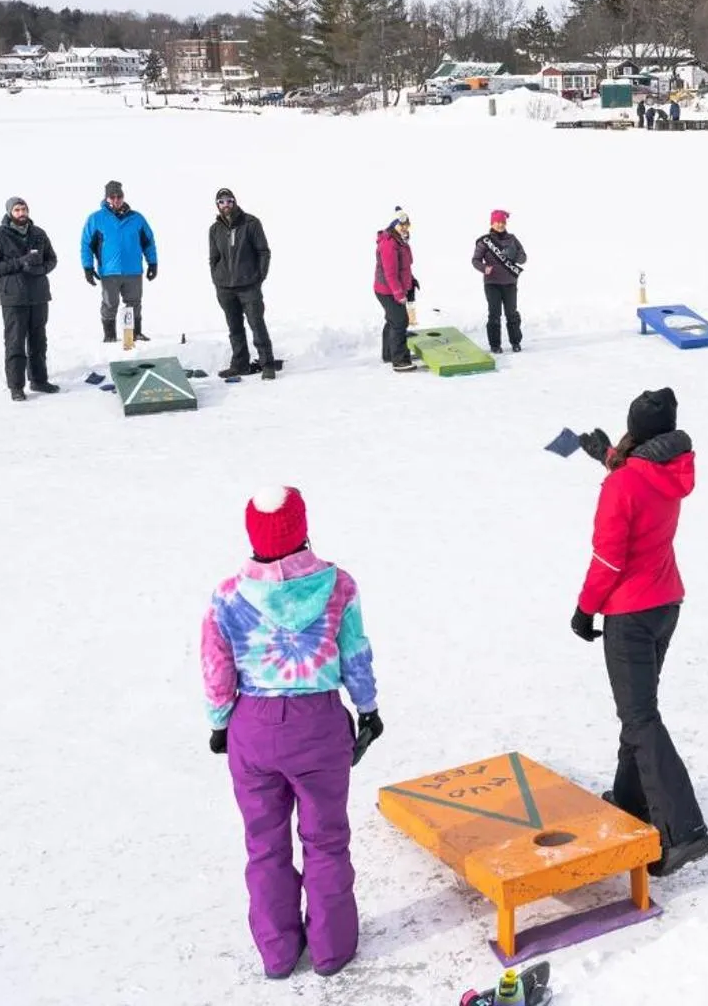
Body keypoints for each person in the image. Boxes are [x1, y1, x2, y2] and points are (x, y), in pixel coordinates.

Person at [202, 485, 381, 979]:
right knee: (326, 840)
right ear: (302, 527)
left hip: (253, 727)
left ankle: (278, 952)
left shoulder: (228, 594)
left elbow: (217, 668)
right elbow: (355, 653)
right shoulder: (337, 585)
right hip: (319, 725)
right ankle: (331, 948)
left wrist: (220, 722)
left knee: (265, 843)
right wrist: (368, 709)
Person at [570, 388, 708, 877]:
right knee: (640, 712)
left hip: (629, 613)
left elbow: (608, 557)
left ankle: (683, 830)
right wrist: (608, 456)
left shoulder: (623, 486)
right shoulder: (670, 470)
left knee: (639, 718)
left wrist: (584, 609)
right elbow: (639, 477)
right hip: (664, 604)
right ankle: (631, 802)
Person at [0, 195, 58, 401]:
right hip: (13, 298)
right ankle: (16, 386)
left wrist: (39, 268)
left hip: (39, 296)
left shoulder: (39, 234)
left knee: (38, 340)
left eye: (24, 209)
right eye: (17, 210)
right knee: (15, 342)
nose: (21, 213)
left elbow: (52, 259)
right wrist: (19, 263)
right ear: (9, 213)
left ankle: (39, 380)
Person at [210, 187, 278, 379]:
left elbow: (264, 252)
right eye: (222, 202)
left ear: (235, 202)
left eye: (229, 201)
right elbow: (213, 257)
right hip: (225, 288)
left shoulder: (251, 223)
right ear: (217, 205)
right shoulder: (215, 229)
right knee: (235, 328)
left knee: (257, 324)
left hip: (249, 286)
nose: (226, 205)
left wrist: (259, 277)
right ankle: (240, 365)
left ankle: (267, 364)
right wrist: (217, 279)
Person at [79, 179, 158, 343]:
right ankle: (110, 336)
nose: (116, 200)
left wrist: (152, 263)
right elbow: (86, 244)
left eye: (119, 196)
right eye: (112, 197)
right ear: (106, 198)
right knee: (110, 304)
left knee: (133, 303)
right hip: (109, 271)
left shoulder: (137, 218)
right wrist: (88, 267)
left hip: (133, 270)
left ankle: (132, 335)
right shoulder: (96, 219)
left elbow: (148, 242)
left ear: (123, 196)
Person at [472, 210, 527, 352]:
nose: (500, 225)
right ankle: (495, 345)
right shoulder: (485, 241)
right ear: (492, 223)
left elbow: (523, 257)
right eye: (497, 222)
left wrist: (514, 256)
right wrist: (484, 268)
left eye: (503, 222)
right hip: (492, 284)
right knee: (494, 314)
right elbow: (475, 260)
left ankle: (515, 342)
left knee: (512, 313)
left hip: (510, 283)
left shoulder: (512, 239)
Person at [373, 207, 417, 371]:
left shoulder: (401, 240)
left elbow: (404, 267)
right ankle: (399, 360)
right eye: (401, 224)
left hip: (392, 288)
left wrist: (411, 281)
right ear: (393, 225)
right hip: (387, 290)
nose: (405, 227)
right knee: (400, 321)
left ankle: (389, 354)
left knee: (392, 320)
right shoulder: (389, 243)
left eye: (407, 224)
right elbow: (390, 272)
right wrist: (398, 293)